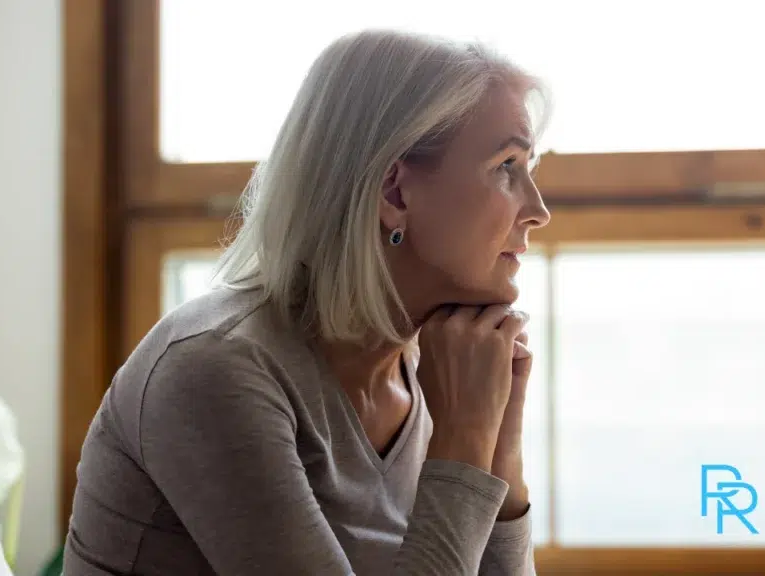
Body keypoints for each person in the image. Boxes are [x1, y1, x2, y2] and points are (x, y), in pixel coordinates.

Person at [63, 29, 551, 575]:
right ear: (394, 192)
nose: (538, 210)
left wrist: (499, 443)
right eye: (507, 166)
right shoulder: (215, 369)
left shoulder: (439, 368)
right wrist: (462, 443)